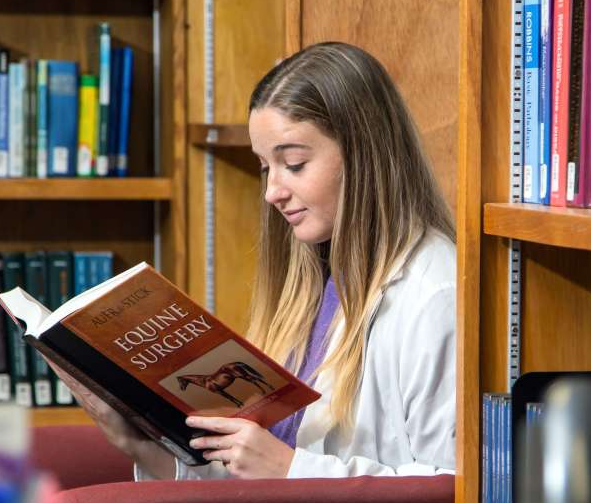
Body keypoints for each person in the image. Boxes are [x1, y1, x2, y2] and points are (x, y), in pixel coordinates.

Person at [57, 42, 456, 480]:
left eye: (295, 163)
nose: (272, 192)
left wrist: (291, 469)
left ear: (365, 153)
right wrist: (140, 443)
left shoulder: (434, 292)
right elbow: (251, 470)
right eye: (266, 167)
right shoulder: (315, 282)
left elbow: (447, 497)